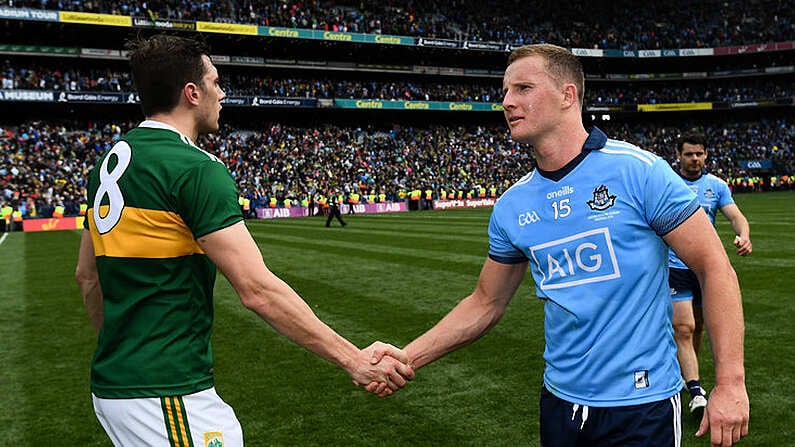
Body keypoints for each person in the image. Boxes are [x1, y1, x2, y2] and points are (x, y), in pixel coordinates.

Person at [369, 44, 749, 446]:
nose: (507, 102)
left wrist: (730, 383)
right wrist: (407, 358)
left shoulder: (639, 172)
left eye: (523, 88)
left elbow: (714, 267)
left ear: (568, 96)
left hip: (642, 406)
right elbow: (485, 302)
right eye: (505, 92)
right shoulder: (512, 206)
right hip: (560, 405)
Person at [74, 34, 411, 446]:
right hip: (165, 389)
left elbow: (87, 277)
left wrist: (123, 355)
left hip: (117, 386)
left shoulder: (108, 164)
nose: (223, 92)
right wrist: (353, 359)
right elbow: (257, 290)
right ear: (192, 93)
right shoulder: (194, 167)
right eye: (215, 82)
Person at [669, 131, 752, 420]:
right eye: (689, 153)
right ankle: (695, 391)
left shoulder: (716, 186)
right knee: (684, 327)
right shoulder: (668, 183)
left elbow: (735, 215)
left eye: (699, 153)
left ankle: (683, 372)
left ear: (706, 154)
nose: (695, 159)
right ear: (678, 156)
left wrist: (744, 235)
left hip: (704, 268)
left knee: (700, 326)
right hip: (674, 266)